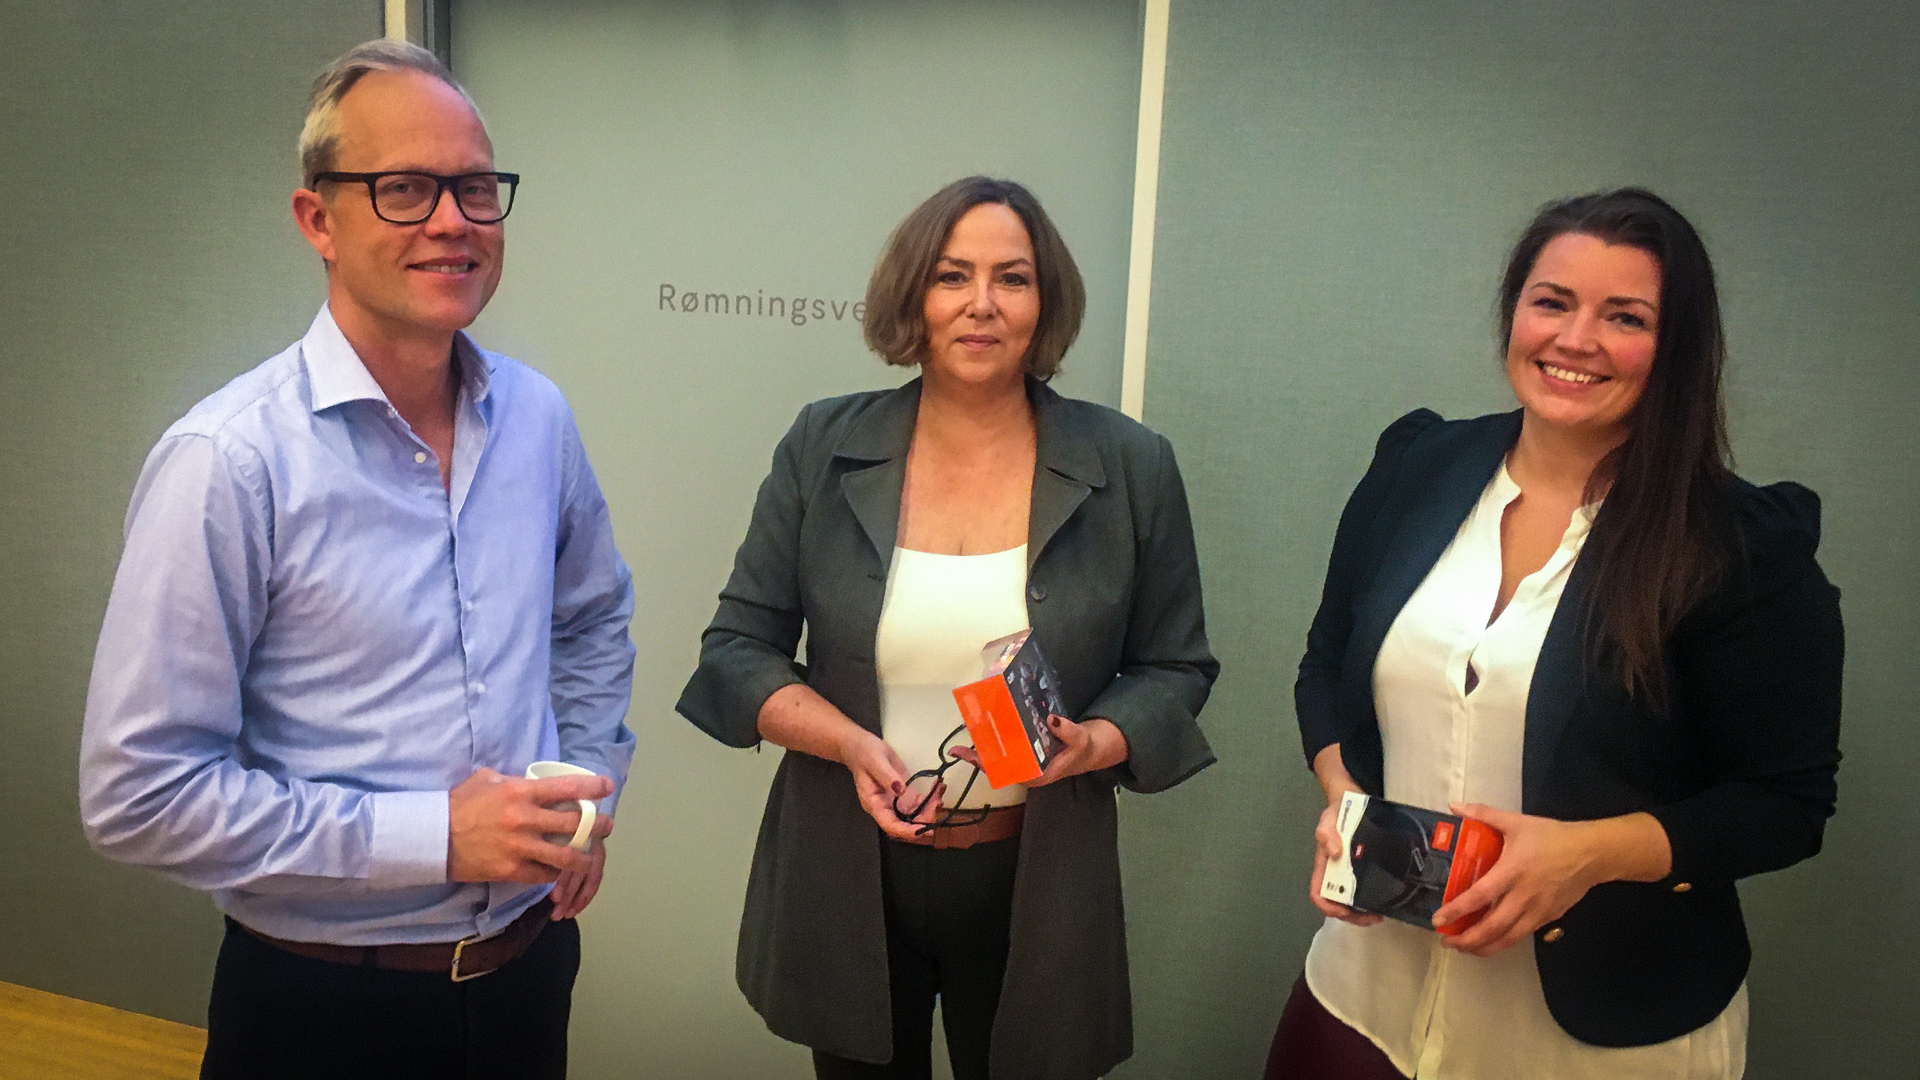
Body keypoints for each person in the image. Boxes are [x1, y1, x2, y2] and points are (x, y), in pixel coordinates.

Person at [78, 40, 636, 1080]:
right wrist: (434, 837)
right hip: (322, 1005)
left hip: (527, 974)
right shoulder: (230, 461)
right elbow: (138, 794)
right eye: (403, 188)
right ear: (318, 220)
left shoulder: (537, 419)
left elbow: (592, 617)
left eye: (475, 188)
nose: (452, 220)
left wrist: (589, 783)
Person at [1267, 187, 1844, 1080]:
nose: (1576, 340)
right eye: (1552, 302)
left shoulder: (1739, 546)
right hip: (1363, 1001)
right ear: (1515, 314)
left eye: (1625, 317)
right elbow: (1327, 663)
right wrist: (1346, 803)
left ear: (1678, 346)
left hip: (1601, 1034)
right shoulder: (1417, 466)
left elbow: (1784, 805)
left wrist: (1586, 856)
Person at [677, 176, 1218, 1080]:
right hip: (850, 873)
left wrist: (1095, 742)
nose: (981, 303)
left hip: (1037, 881)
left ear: (1045, 302)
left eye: (1013, 278)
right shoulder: (824, 444)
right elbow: (736, 652)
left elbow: (1176, 666)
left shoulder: (1131, 464)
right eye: (951, 275)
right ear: (913, 295)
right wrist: (848, 744)